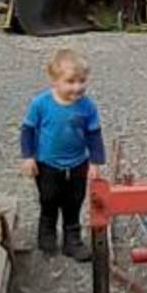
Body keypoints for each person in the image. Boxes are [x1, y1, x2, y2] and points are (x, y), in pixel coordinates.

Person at [19, 47, 105, 261]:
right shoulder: (40, 104)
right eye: (70, 81)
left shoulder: (87, 107)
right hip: (47, 163)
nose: (77, 87)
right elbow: (27, 130)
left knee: (74, 200)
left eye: (82, 81)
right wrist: (28, 157)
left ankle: (72, 240)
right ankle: (47, 235)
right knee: (49, 198)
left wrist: (95, 162)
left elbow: (94, 134)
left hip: (77, 162)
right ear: (54, 80)